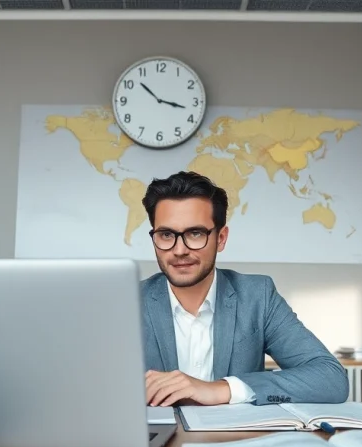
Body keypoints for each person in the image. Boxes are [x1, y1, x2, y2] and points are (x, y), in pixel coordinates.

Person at [140, 171, 349, 407]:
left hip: (234, 431)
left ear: (221, 238)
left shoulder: (258, 296)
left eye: (195, 233)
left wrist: (223, 389)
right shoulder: (127, 302)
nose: (179, 250)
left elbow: (331, 379)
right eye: (166, 235)